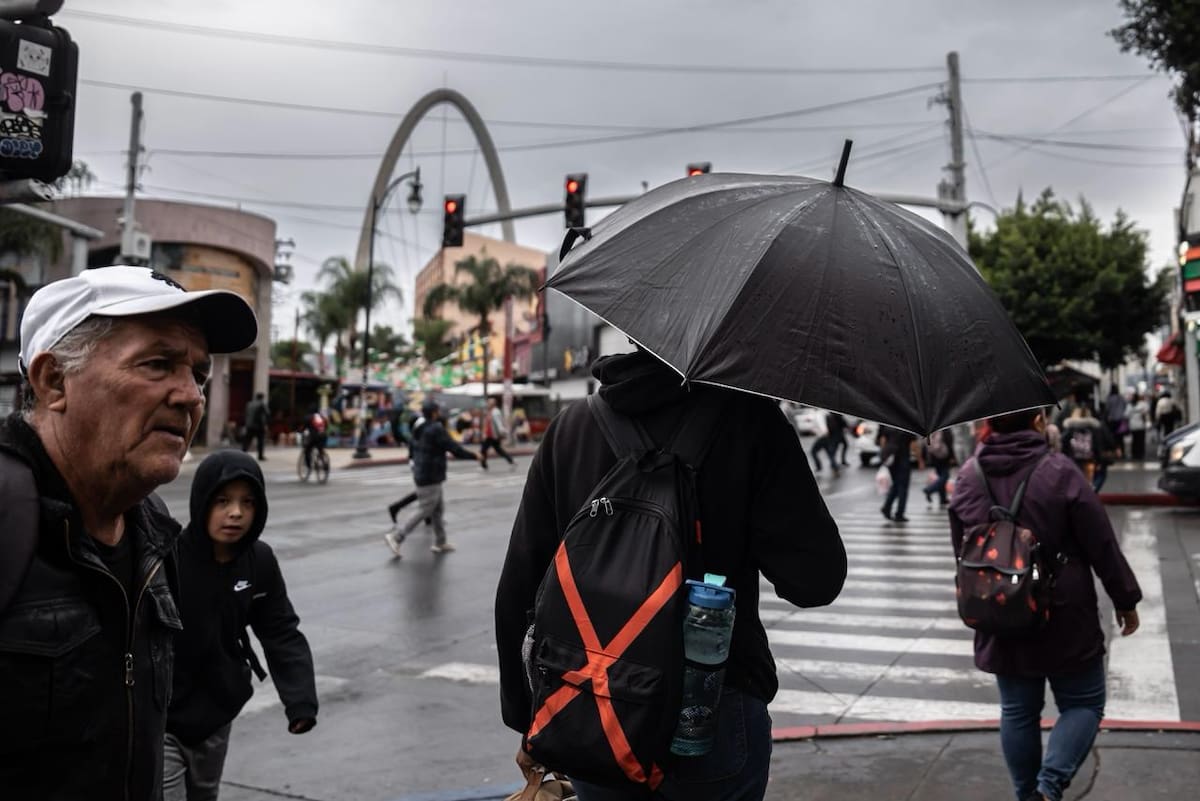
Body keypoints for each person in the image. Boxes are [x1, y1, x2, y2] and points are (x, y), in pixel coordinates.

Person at [494, 348, 847, 801]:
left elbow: (519, 584)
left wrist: (528, 719)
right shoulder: (752, 421)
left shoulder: (571, 429)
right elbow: (815, 581)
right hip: (713, 711)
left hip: (592, 709)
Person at [0, 264, 257, 800]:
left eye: (199, 374)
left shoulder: (156, 534)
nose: (190, 397)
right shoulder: (8, 520)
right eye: (158, 364)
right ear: (54, 381)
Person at [948, 408, 1141, 801]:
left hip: (999, 608)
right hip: (1064, 611)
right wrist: (1125, 599)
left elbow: (962, 550)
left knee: (1018, 711)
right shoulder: (1060, 471)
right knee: (1084, 702)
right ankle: (1048, 787)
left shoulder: (967, 477)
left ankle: (1027, 796)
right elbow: (1101, 543)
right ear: (1038, 421)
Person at [165, 450, 317, 801]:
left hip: (217, 712)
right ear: (202, 501)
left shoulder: (259, 561)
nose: (235, 512)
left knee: (203, 794)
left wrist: (300, 702)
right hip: (163, 715)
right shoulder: (168, 557)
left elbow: (279, 630)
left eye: (247, 503)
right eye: (222, 501)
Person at [384, 400, 481, 557]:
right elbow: (453, 447)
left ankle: (440, 542)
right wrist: (474, 456)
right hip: (430, 474)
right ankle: (396, 537)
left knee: (437, 510)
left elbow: (413, 447)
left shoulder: (419, 427)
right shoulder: (436, 429)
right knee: (425, 509)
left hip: (423, 471)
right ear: (435, 413)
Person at [878, 424, 916, 522]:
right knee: (902, 487)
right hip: (903, 458)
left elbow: (882, 440)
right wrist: (920, 459)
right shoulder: (908, 425)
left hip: (891, 458)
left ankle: (886, 507)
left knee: (896, 484)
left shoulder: (887, 423)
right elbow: (913, 444)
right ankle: (899, 513)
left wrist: (884, 456)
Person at [921, 426, 956, 509]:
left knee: (940, 476)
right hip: (944, 455)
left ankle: (942, 499)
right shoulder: (945, 427)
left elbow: (925, 443)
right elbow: (949, 442)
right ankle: (929, 490)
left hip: (934, 456)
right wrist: (952, 456)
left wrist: (925, 456)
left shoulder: (931, 427)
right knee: (945, 476)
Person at [479, 396, 515, 469]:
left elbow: (498, 423)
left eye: (489, 403)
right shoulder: (490, 411)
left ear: (493, 404)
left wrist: (503, 432)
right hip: (490, 435)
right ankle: (511, 461)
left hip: (492, 435)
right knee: (498, 450)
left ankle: (484, 465)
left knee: (484, 450)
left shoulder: (495, 412)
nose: (487, 404)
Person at [242, 391, 269, 460]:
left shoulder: (249, 404)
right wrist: (265, 424)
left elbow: (246, 414)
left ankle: (243, 454)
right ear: (262, 398)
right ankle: (260, 456)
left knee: (247, 440)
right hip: (258, 426)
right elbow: (267, 414)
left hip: (249, 425)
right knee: (260, 442)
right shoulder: (261, 404)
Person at [1126, 392, 1150, 461]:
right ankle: (1141, 454)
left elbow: (1126, 415)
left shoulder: (1130, 405)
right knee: (1141, 440)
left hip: (1133, 426)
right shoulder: (1143, 404)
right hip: (1141, 425)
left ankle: (1135, 454)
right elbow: (1147, 411)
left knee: (1134, 440)